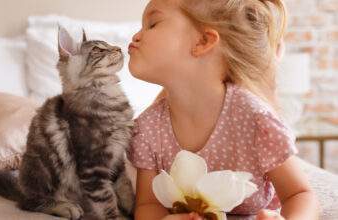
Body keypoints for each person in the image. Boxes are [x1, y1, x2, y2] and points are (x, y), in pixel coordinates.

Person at [126, 0, 320, 219]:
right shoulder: (147, 128)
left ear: (203, 41)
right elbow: (148, 205)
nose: (136, 35)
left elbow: (300, 194)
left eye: (152, 24)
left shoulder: (254, 119)